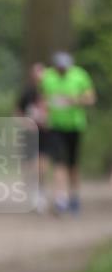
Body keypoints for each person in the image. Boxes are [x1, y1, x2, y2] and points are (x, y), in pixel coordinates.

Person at [41, 52, 96, 214]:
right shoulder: (48, 77)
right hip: (56, 126)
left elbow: (91, 98)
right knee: (58, 162)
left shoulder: (80, 76)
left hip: (75, 126)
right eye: (59, 68)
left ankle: (74, 196)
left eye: (64, 68)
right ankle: (60, 198)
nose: (61, 70)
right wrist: (44, 114)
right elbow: (44, 98)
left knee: (73, 164)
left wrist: (75, 100)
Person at [16, 61, 49, 212]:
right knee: (28, 166)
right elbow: (17, 111)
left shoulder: (50, 91)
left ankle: (40, 194)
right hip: (29, 133)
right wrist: (24, 123)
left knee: (41, 165)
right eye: (36, 73)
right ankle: (32, 192)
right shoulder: (27, 93)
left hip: (44, 133)